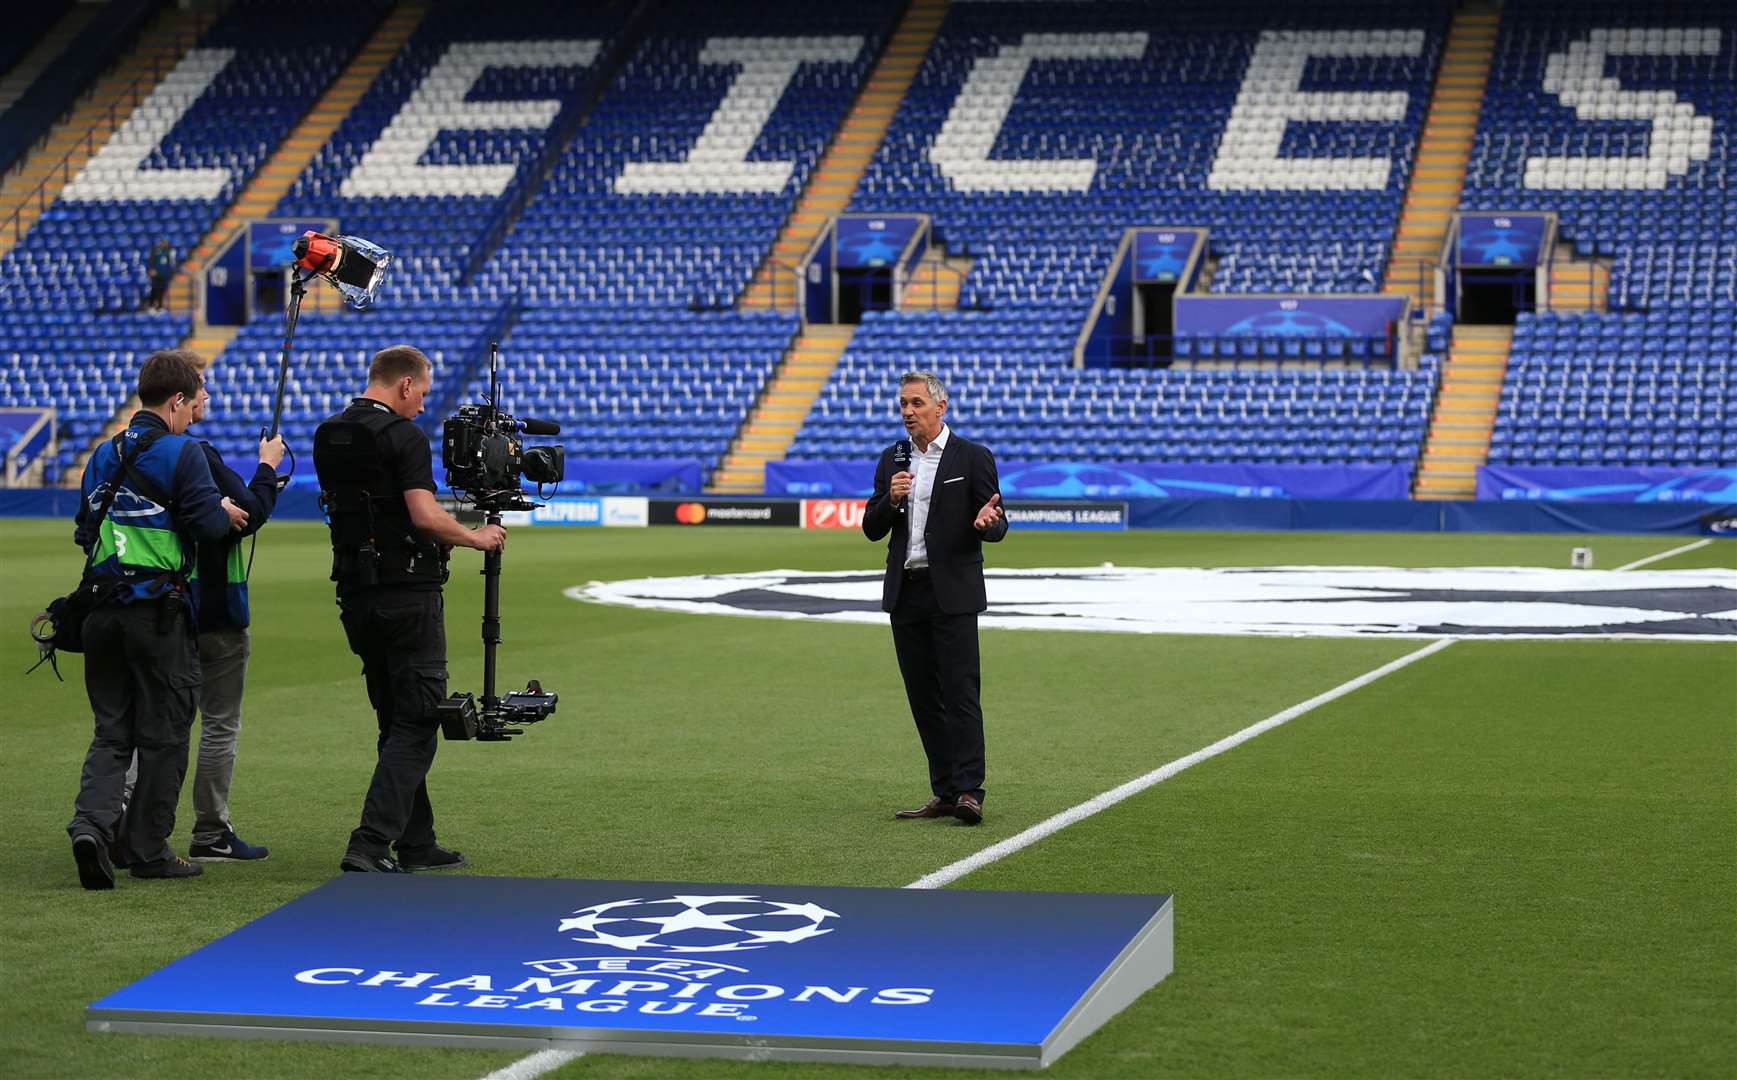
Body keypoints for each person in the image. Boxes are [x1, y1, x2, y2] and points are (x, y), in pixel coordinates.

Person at [313, 345, 506, 874]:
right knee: (418, 721)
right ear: (403, 385)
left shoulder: (330, 433)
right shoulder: (403, 436)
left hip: (355, 593)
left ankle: (416, 842)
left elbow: (372, 507)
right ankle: (371, 842)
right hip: (406, 594)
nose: (422, 405)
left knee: (394, 719)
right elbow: (423, 514)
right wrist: (474, 537)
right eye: (421, 392)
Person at [68, 350, 249, 889]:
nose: (197, 411)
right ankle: (147, 849)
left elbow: (85, 528)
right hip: (157, 612)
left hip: (101, 612)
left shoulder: (103, 453)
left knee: (111, 733)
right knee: (167, 733)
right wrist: (225, 514)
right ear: (175, 401)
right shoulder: (182, 453)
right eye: (194, 402)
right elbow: (207, 527)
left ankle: (92, 828)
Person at [862, 371, 1008, 826]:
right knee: (924, 697)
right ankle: (944, 790)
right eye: (903, 404)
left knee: (961, 694)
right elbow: (872, 527)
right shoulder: (893, 459)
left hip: (954, 594)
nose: (907, 411)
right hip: (906, 594)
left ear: (940, 408)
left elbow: (999, 520)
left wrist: (989, 524)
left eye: (916, 403)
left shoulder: (973, 456)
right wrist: (890, 498)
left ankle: (970, 791)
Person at [146, 239, 174, 312]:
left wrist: (169, 273)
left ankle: (160, 306)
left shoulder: (168, 251)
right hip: (156, 274)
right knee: (154, 290)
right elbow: (151, 260)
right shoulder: (155, 250)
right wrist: (151, 269)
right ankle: (151, 306)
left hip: (164, 274)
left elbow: (170, 263)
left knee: (162, 291)